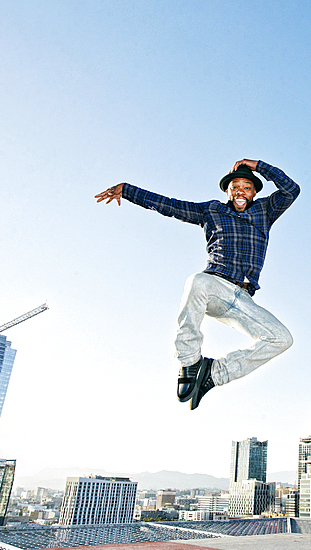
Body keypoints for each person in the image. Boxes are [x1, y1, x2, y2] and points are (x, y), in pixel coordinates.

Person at [95, 159, 299, 410]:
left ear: (255, 192)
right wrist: (127, 190)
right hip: (214, 286)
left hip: (243, 299)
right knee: (197, 281)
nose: (240, 192)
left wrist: (257, 165)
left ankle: (214, 373)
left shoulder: (266, 210)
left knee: (281, 338)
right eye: (235, 187)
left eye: (247, 187)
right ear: (227, 191)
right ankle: (190, 362)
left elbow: (291, 189)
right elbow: (170, 206)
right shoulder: (211, 210)